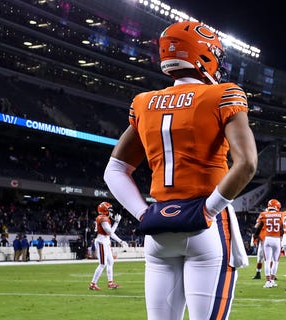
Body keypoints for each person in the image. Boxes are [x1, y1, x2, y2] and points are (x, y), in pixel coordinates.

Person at [103, 20, 257, 320]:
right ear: (204, 54)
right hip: (206, 226)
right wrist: (209, 210)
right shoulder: (222, 94)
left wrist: (143, 214)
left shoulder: (144, 102)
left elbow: (115, 169)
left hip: (159, 228)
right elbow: (248, 163)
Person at [89, 202, 128, 291]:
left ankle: (110, 283)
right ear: (105, 211)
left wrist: (117, 223)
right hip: (101, 242)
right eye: (109, 210)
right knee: (103, 264)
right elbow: (110, 233)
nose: (111, 212)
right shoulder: (102, 218)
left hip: (105, 241)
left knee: (110, 261)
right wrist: (120, 241)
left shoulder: (105, 218)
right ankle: (92, 284)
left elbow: (110, 232)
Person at [253, 199, 283, 288]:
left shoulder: (263, 214)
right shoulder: (281, 215)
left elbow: (257, 228)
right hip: (277, 239)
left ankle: (268, 281)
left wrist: (255, 237)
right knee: (276, 261)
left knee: (267, 261)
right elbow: (283, 228)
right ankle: (273, 280)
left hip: (267, 239)